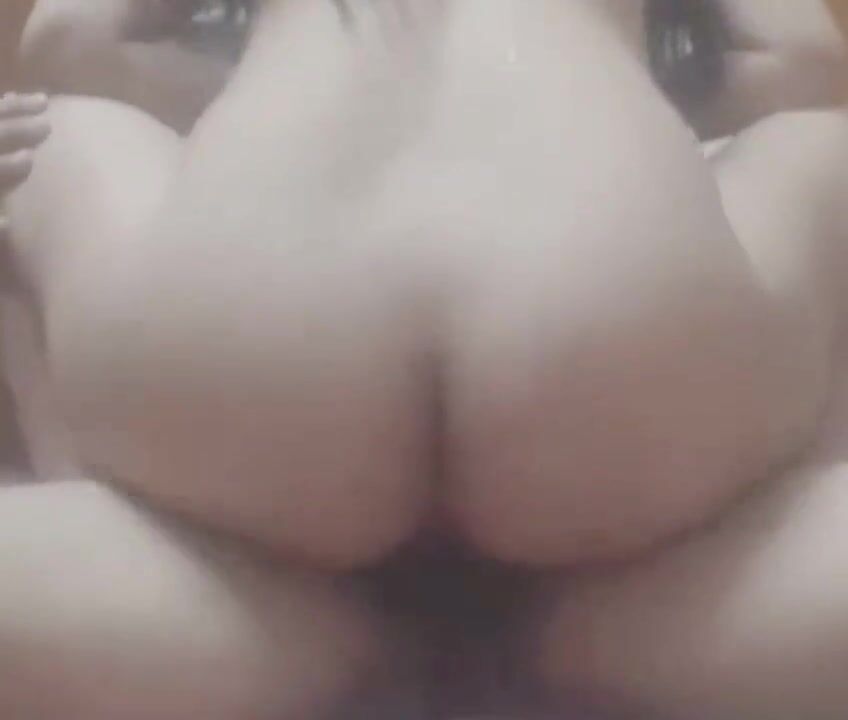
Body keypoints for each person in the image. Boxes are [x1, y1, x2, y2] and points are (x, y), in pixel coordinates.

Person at [3, 1, 848, 718]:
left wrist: (238, 82)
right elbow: (799, 65)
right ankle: (584, 627)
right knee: (820, 147)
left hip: (254, 315)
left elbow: (75, 42)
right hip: (615, 311)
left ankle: (256, 602)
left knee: (58, 135)